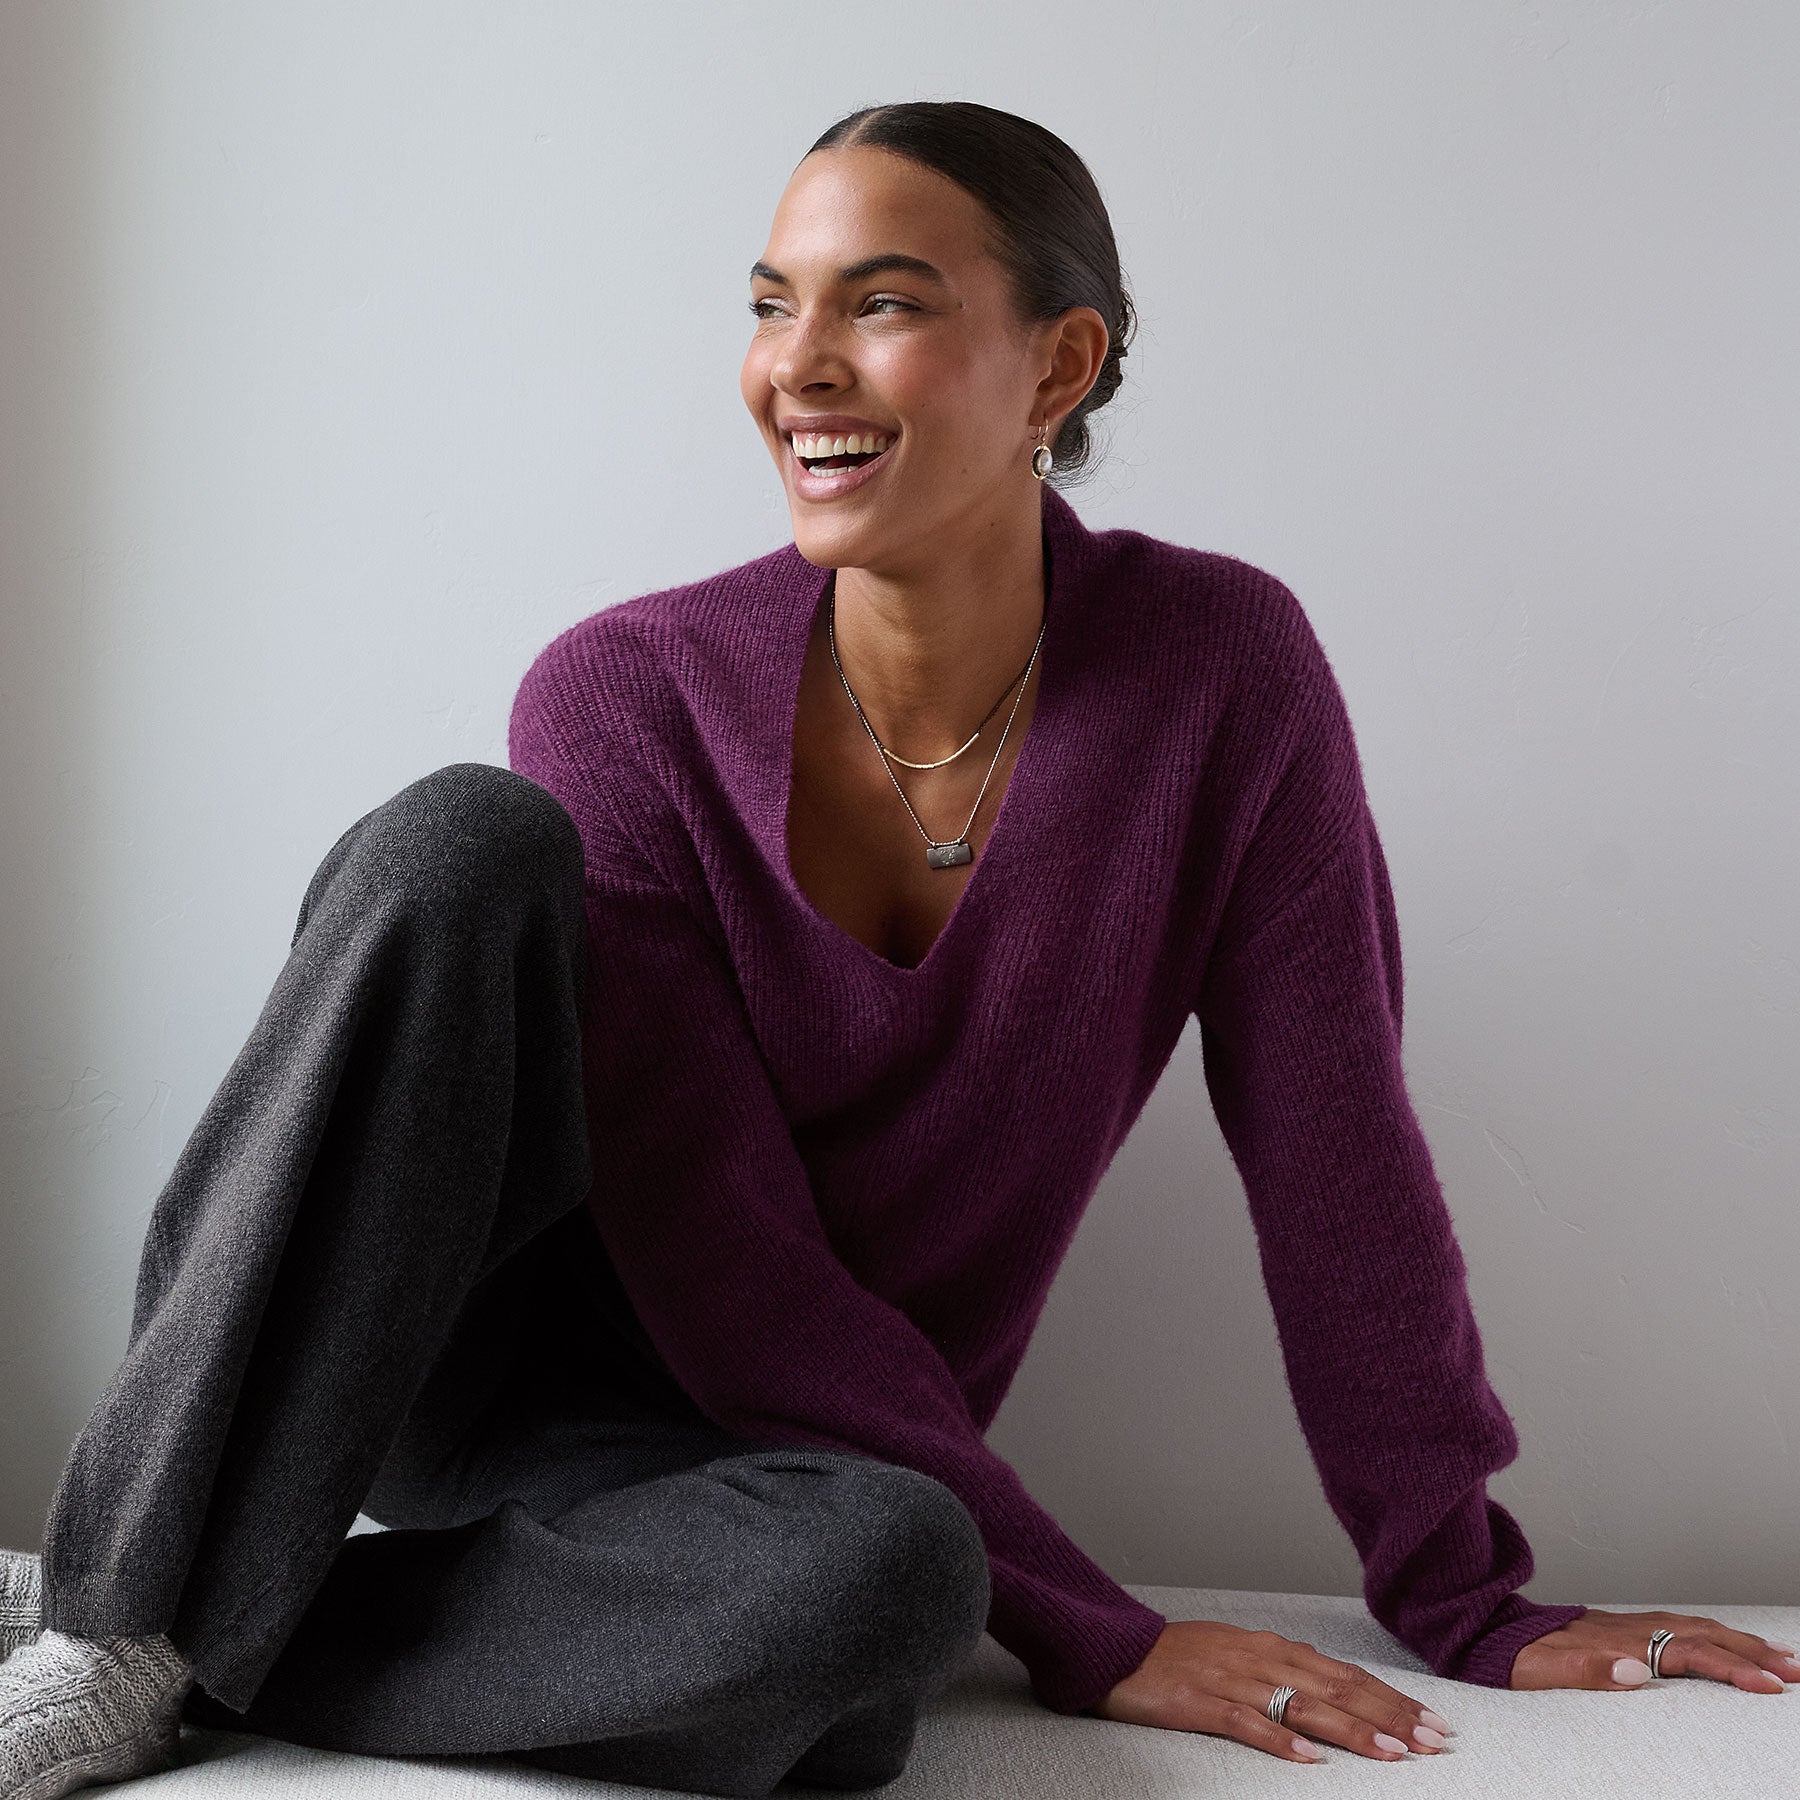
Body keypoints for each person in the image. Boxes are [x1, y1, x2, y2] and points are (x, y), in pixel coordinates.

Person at [3, 98, 1795, 1800]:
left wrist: (1462, 1591)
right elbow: (708, 1228)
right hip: (452, 1376)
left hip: (780, 1478)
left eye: (882, 304)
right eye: (771, 303)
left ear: (1060, 367)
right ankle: (123, 1616)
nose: (797, 364)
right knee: (461, 840)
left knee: (893, 1601)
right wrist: (1092, 1626)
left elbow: (1336, 1146)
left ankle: (221, 1630)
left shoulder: (1221, 676)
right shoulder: (628, 694)